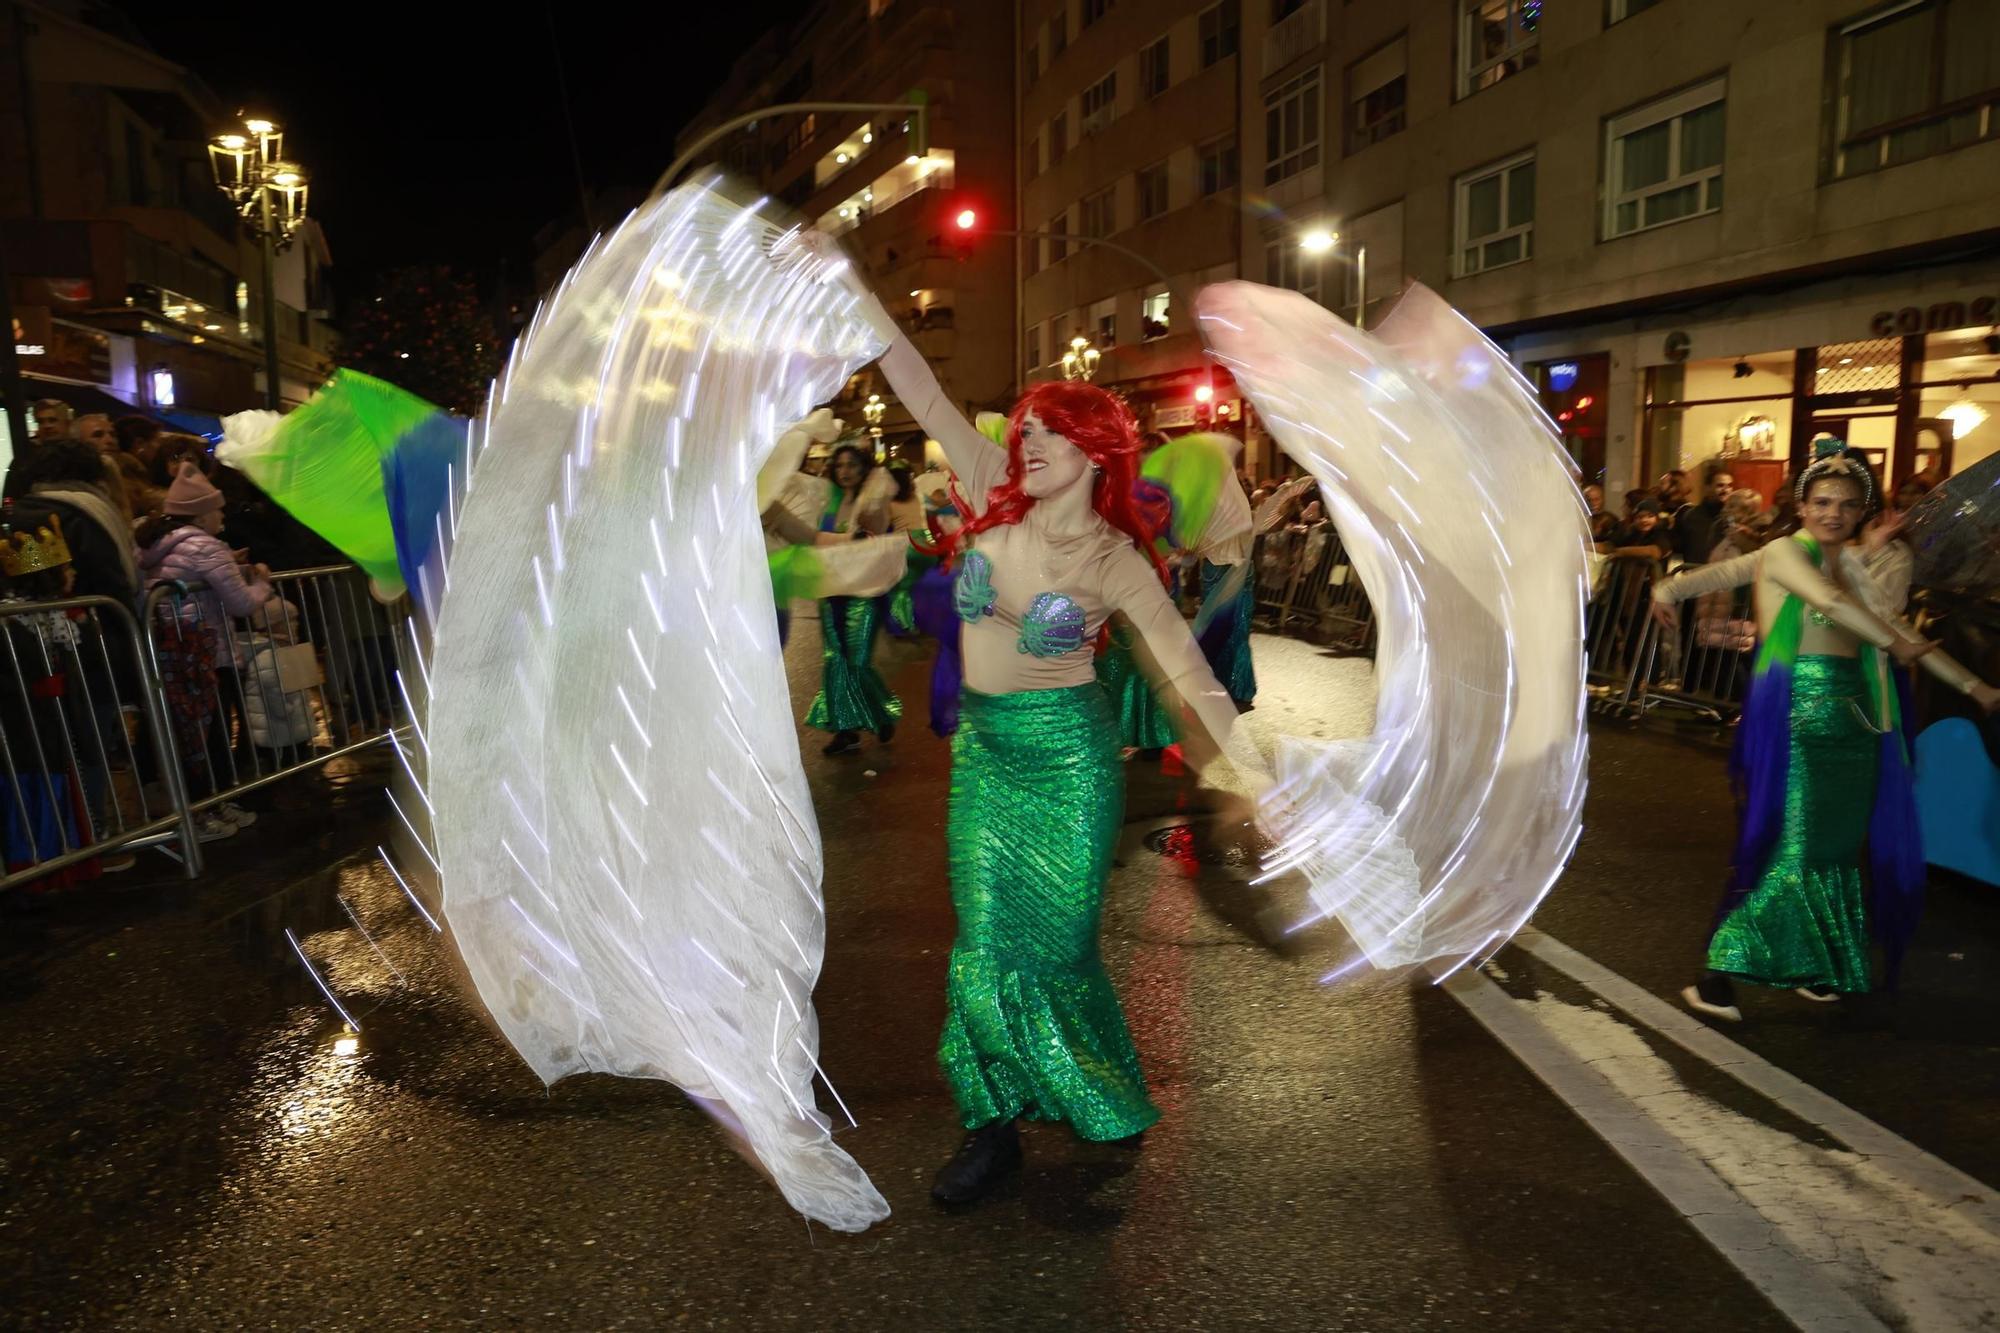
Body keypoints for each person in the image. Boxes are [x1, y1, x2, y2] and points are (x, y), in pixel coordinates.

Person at [858, 289, 1248, 1206]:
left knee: (1059, 953)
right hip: (988, 760)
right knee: (984, 945)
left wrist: (1253, 769)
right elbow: (919, 391)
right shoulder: (994, 485)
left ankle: (1093, 1087)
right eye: (1025, 432)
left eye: (1048, 437)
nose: (1025, 446)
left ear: (1093, 455)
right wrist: (856, 299)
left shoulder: (1113, 558)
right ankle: (989, 1128)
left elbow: (1187, 671)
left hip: (1069, 766)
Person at [1651, 446, 2000, 1020]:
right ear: (1802, 506)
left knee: (1837, 849)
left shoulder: (1851, 563)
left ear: (1862, 509)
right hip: (1802, 716)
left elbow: (1887, 623)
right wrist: (1665, 588)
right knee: (1799, 846)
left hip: (1856, 719)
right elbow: (1832, 607)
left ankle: (1815, 963)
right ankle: (1718, 976)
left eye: (1844, 503)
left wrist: (1975, 689)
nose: (1832, 512)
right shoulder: (1788, 552)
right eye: (1821, 502)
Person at [136, 463, 286, 836]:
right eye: (218, 509)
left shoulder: (158, 544)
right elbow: (240, 603)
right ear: (202, 513)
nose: (223, 515)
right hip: (208, 652)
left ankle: (209, 805)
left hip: (177, 654)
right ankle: (207, 810)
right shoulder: (205, 545)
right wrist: (263, 584)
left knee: (192, 736)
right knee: (212, 735)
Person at [804, 442, 900, 756]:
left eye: (853, 465)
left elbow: (876, 529)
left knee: (857, 661)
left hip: (863, 594)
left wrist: (875, 487)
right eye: (840, 465)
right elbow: (815, 540)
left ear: (864, 469)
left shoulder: (872, 501)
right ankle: (845, 731)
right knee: (835, 660)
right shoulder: (829, 503)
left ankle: (882, 711)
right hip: (831, 593)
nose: (845, 472)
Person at [1858, 473, 1932, 614]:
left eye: (1915, 492)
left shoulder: (1932, 525)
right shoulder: (1883, 524)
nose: (1908, 498)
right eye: (1903, 493)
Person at [1672, 464, 1735, 566]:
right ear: (1708, 487)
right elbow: (1677, 549)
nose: (1726, 490)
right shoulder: (1689, 516)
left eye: (1729, 486)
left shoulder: (1733, 517)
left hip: (1723, 577)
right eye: (1720, 485)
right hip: (1693, 575)